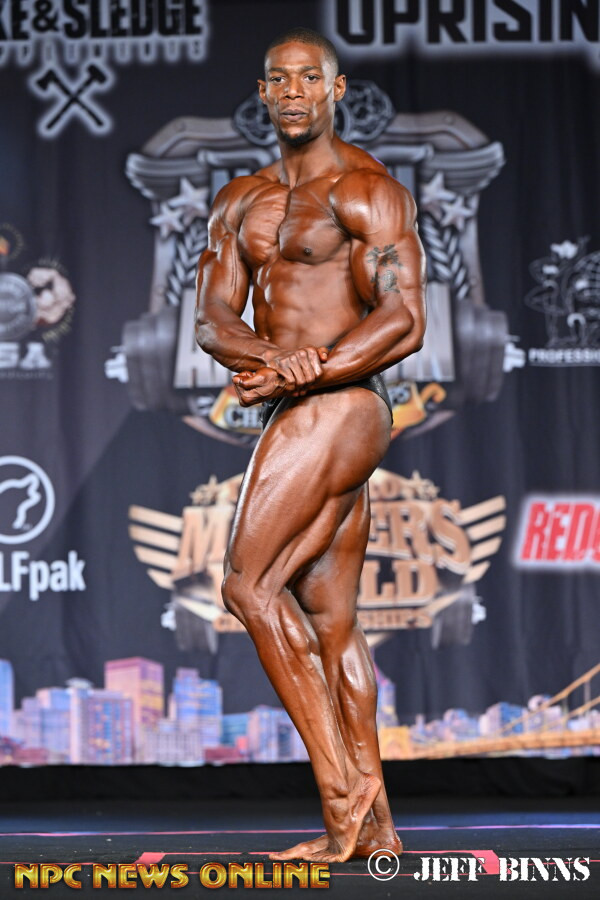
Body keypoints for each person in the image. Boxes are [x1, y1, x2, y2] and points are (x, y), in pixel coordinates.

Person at [195, 27, 426, 863]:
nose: (293, 91)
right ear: (264, 94)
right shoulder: (240, 200)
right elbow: (212, 319)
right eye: (278, 80)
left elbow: (404, 319)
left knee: (247, 585)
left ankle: (341, 793)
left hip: (345, 404)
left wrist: (314, 366)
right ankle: (374, 832)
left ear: (335, 89)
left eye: (308, 78)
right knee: (332, 624)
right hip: (296, 407)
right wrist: (269, 358)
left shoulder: (368, 191)